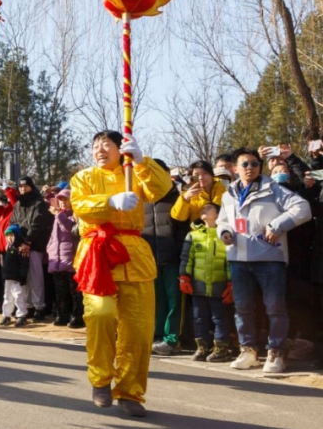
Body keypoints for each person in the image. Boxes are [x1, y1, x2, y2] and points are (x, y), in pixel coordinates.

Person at [71, 131, 172, 417]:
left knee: (139, 331)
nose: (99, 150)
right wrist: (111, 201)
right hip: (97, 253)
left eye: (106, 145)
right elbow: (79, 205)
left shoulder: (134, 172)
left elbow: (161, 190)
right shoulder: (84, 177)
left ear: (120, 149)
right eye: (95, 146)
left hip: (136, 256)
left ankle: (130, 392)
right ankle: (101, 379)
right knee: (100, 314)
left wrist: (142, 161)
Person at [217, 147, 311, 374]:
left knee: (275, 308)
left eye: (254, 164)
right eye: (245, 164)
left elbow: (303, 208)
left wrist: (277, 225)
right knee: (242, 308)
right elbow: (222, 220)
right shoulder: (228, 194)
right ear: (235, 168)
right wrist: (225, 232)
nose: (250, 168)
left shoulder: (273, 189)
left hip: (270, 257)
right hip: (239, 258)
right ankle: (248, 350)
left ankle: (276, 352)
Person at [142, 159, 190, 356]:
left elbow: (182, 230)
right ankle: (156, 336)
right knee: (155, 300)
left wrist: (181, 258)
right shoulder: (140, 198)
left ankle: (172, 339)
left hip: (173, 259)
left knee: (174, 301)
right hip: (149, 260)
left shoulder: (177, 198)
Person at [179, 203, 235, 363]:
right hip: (198, 285)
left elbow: (229, 261)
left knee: (220, 317)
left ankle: (222, 348)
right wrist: (184, 277)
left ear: (218, 214)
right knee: (199, 318)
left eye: (209, 208)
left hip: (219, 285)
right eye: (203, 208)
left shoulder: (225, 235)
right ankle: (202, 347)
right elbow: (186, 258)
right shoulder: (193, 235)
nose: (204, 209)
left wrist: (231, 282)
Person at [10, 176, 54, 321]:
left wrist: (28, 242)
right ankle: (28, 306)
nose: (22, 189)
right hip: (20, 245)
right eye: (20, 186)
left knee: (36, 278)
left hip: (34, 245)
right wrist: (17, 241)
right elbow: (14, 223)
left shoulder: (39, 203)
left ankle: (39, 307)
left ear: (31, 186)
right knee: (24, 278)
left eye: (25, 186)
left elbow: (38, 224)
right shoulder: (18, 204)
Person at [47, 188, 83, 328]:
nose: (62, 203)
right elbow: (54, 237)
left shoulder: (75, 214)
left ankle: (77, 316)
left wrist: (58, 215)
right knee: (60, 290)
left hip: (71, 257)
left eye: (65, 200)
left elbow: (72, 229)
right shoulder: (59, 216)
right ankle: (62, 315)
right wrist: (50, 249)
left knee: (74, 291)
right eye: (60, 200)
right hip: (57, 257)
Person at [0, 224, 29, 328]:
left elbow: (23, 265)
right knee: (7, 297)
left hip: (17, 278)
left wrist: (22, 276)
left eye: (12, 235)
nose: (10, 238)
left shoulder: (20, 249)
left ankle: (21, 315)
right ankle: (6, 314)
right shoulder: (8, 248)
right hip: (8, 277)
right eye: (7, 236)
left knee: (18, 296)